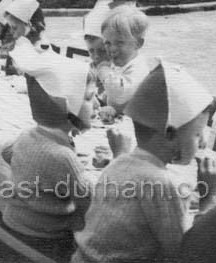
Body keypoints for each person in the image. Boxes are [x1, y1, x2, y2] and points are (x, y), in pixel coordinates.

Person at [71, 59, 216, 263]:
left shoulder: (119, 162)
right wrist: (207, 199)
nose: (202, 142)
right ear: (169, 134)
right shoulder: (162, 184)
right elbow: (183, 251)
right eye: (197, 134)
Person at [0, 37, 97, 262]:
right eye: (90, 98)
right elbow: (91, 202)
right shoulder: (63, 158)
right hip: (43, 245)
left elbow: (6, 151)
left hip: (11, 230)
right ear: (68, 109)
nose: (97, 103)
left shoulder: (26, 136)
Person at [100, 5, 150, 114]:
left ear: (138, 44)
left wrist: (105, 73)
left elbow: (120, 94)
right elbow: (112, 93)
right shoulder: (119, 64)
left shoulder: (139, 68)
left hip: (135, 124)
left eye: (119, 43)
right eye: (107, 43)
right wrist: (102, 99)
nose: (112, 49)